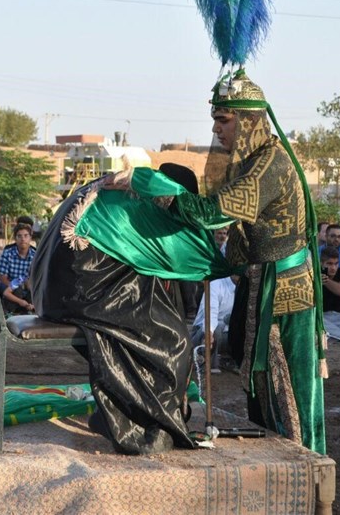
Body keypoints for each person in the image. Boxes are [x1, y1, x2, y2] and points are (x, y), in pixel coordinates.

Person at [108, 70, 326, 454]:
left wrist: (143, 182)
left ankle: (305, 473)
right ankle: (275, 468)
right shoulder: (248, 163)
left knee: (288, 394)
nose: (216, 129)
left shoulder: (269, 165)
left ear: (249, 121)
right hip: (260, 286)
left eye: (223, 120)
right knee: (260, 391)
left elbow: (211, 214)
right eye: (215, 120)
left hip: (285, 296)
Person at [33, 162, 225, 454]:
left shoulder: (126, 189)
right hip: (81, 286)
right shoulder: (146, 205)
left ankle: (122, 414)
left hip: (53, 289)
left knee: (152, 319)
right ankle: (148, 427)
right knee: (171, 341)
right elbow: (199, 260)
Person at [190, 275, 237, 373]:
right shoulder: (216, 285)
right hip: (203, 333)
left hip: (229, 336)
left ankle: (232, 361)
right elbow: (211, 315)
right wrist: (209, 333)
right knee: (215, 328)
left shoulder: (249, 288)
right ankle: (206, 363)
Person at [0, 223, 35, 295]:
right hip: (10, 287)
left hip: (28, 287)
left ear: (30, 238)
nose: (23, 239)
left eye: (26, 236)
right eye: (19, 236)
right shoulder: (7, 254)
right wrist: (14, 287)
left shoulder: (35, 256)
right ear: (15, 239)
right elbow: (2, 277)